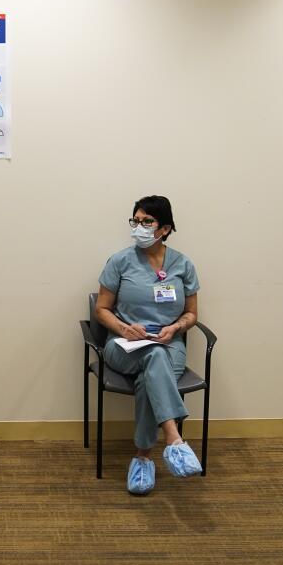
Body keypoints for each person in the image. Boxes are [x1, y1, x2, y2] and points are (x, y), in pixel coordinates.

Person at [95, 195, 203, 495]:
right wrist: (124, 328)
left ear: (164, 228)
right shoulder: (120, 261)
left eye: (147, 222)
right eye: (135, 221)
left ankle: (143, 457)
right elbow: (101, 309)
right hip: (123, 343)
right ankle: (173, 438)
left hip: (169, 344)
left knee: (150, 374)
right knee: (152, 358)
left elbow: (192, 314)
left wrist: (176, 327)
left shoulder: (183, 264)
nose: (139, 227)